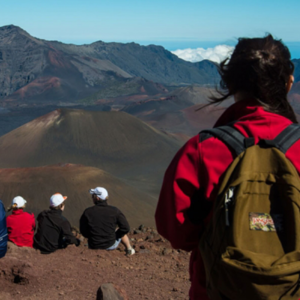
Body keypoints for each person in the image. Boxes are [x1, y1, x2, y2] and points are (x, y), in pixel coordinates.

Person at [155, 34, 298, 300]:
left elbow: (177, 232)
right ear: (288, 84)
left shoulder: (201, 151)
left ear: (229, 84)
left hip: (216, 291)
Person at [80, 187, 135, 255]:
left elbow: (83, 230)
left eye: (93, 196)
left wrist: (92, 236)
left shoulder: (87, 212)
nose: (92, 197)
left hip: (93, 245)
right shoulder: (115, 211)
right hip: (110, 245)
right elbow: (126, 228)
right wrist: (116, 235)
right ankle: (129, 249)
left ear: (97, 198)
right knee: (119, 230)